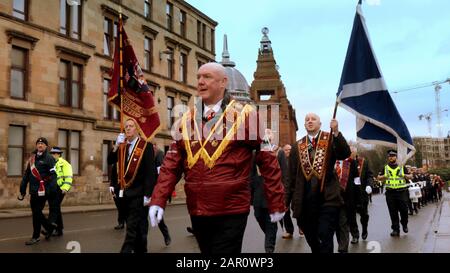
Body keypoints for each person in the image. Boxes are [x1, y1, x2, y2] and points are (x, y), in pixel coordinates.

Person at [148, 62, 286, 254]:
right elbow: (171, 165)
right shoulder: (186, 120)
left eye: (207, 77)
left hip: (232, 210)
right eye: (198, 77)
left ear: (223, 82)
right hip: (197, 209)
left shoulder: (246, 116)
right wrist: (158, 199)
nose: (200, 82)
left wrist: (276, 201)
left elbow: (268, 160)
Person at [288, 113, 351, 253]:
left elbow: (344, 153)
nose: (310, 121)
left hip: (327, 200)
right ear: (304, 125)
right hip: (305, 203)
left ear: (320, 124)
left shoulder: (329, 139)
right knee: (313, 241)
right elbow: (290, 177)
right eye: (307, 120)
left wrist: (336, 131)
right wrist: (285, 203)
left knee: (324, 236)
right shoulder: (297, 146)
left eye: (313, 119)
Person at [108, 118, 156, 253]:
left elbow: (150, 172)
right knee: (139, 231)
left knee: (131, 231)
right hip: (125, 196)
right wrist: (116, 146)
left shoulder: (145, 146)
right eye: (126, 126)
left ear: (137, 129)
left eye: (130, 126)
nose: (127, 128)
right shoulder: (122, 146)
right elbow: (110, 160)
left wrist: (148, 194)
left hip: (139, 195)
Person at [19, 137, 58, 245]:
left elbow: (53, 175)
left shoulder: (49, 158)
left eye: (42, 144)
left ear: (46, 146)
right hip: (33, 190)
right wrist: (22, 188)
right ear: (36, 145)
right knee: (36, 212)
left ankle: (36, 236)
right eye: (38, 144)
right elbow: (27, 174)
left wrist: (51, 190)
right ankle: (49, 227)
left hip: (43, 190)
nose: (40, 145)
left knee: (36, 212)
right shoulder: (32, 158)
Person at [377, 150, 412, 237]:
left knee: (404, 210)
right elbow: (378, 178)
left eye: (393, 156)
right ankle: (395, 229)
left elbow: (410, 176)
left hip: (401, 192)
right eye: (389, 156)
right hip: (390, 193)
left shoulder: (401, 166)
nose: (391, 157)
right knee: (393, 212)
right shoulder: (385, 167)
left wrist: (404, 175)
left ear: (396, 157)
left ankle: (404, 224)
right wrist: (384, 176)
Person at [250, 151, 278, 253]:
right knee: (259, 216)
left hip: (273, 194)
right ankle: (271, 234)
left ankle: (269, 248)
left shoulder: (277, 153)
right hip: (258, 194)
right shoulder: (254, 155)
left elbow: (284, 174)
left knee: (270, 222)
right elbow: (251, 174)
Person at [335, 154, 360, 253]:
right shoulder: (331, 161)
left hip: (349, 196)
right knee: (339, 222)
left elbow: (356, 180)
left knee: (348, 219)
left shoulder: (351, 162)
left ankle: (354, 236)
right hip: (334, 197)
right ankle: (342, 244)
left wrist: (358, 197)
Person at [49, 146, 73, 236]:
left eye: (53, 154)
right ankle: (59, 229)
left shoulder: (65, 164)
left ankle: (50, 229)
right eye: (51, 153)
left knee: (54, 207)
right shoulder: (51, 163)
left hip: (60, 188)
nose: (51, 155)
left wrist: (65, 188)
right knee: (56, 208)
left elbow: (69, 177)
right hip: (52, 189)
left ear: (58, 154)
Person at [352, 146, 373, 241]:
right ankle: (355, 235)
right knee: (350, 216)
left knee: (364, 215)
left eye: (352, 152)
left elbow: (369, 175)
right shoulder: (344, 163)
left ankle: (364, 229)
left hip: (362, 194)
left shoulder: (363, 162)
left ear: (356, 153)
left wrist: (369, 185)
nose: (351, 154)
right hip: (350, 195)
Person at [153, 144, 172, 246]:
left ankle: (166, 235)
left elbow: (161, 173)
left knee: (157, 216)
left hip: (155, 189)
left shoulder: (159, 154)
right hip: (144, 190)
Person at [280, 144, 296, 239]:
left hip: (294, 189)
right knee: (285, 210)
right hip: (284, 189)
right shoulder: (280, 161)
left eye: (289, 149)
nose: (288, 151)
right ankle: (289, 230)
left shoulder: (295, 160)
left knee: (297, 208)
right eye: (286, 150)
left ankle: (301, 226)